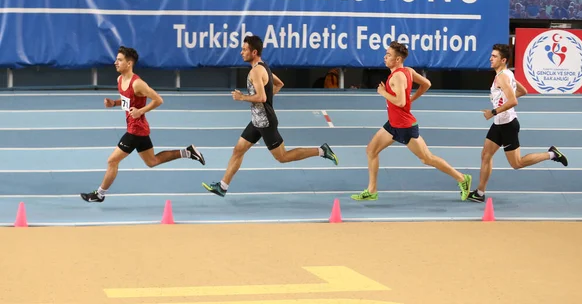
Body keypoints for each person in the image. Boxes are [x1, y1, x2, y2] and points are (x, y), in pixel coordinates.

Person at [202, 35, 339, 197]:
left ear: (254, 52)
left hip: (265, 122)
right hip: (257, 121)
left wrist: (243, 98)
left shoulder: (256, 71)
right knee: (238, 150)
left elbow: (262, 97)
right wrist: (265, 101)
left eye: (244, 49)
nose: (241, 52)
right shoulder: (264, 67)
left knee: (282, 157)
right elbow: (279, 84)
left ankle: (322, 151)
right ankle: (222, 186)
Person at [80, 46, 205, 203]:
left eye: (119, 60)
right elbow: (128, 102)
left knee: (112, 161)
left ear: (129, 63)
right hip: (140, 130)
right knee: (152, 162)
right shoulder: (120, 80)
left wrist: (140, 111)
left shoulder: (137, 83)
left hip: (135, 131)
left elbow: (158, 100)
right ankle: (187, 152)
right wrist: (114, 103)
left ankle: (99, 194)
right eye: (116, 59)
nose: (115, 63)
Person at [351, 41, 473, 201]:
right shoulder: (407, 71)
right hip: (393, 124)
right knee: (371, 151)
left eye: (388, 55)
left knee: (427, 158)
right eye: (386, 54)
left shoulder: (399, 76)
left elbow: (401, 102)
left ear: (397, 59)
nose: (385, 57)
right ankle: (372, 190)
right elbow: (426, 84)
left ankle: (462, 179)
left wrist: (383, 92)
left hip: (404, 126)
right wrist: (412, 99)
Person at [467, 43, 568, 203]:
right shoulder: (506, 74)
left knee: (517, 163)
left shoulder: (502, 77)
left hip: (508, 125)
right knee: (486, 155)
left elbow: (514, 100)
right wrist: (500, 105)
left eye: (494, 56)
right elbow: (523, 91)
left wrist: (493, 111)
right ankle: (480, 193)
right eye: (491, 55)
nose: (490, 59)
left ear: (503, 60)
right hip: (499, 124)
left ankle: (552, 154)